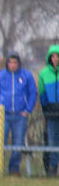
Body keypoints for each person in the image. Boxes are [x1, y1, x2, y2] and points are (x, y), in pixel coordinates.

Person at [0, 51, 37, 176]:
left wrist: (27, 110)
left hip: (20, 116)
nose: (13, 65)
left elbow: (33, 93)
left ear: (19, 63)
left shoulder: (26, 76)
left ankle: (14, 168)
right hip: (3, 115)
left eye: (15, 62)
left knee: (18, 143)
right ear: (7, 63)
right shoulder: (0, 76)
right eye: (10, 62)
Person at [37, 45, 59, 176]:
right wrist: (46, 111)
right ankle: (52, 167)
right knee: (52, 141)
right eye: (54, 56)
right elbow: (42, 94)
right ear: (50, 58)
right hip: (51, 113)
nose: (56, 59)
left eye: (58, 56)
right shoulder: (44, 73)